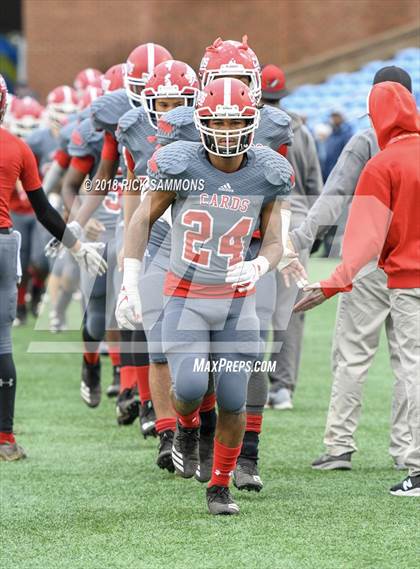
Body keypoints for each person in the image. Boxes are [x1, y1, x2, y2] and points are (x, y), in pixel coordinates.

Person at [117, 78, 303, 515]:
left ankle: (220, 486)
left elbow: (274, 240)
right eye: (216, 121)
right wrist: (130, 280)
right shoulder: (180, 165)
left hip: (236, 301)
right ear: (199, 122)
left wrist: (260, 264)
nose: (224, 129)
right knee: (191, 385)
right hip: (186, 296)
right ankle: (185, 425)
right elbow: (141, 221)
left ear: (251, 122)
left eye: (234, 121)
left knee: (235, 398)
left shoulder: (266, 171)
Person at [294, 80, 420, 497]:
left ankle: (340, 447)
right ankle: (407, 450)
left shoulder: (372, 150)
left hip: (373, 265)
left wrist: (308, 249)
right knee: (410, 363)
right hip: (410, 270)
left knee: (352, 356)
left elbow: (336, 200)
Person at [0, 74, 107, 461]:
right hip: (2, 240)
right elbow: (44, 208)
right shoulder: (18, 148)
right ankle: (5, 438)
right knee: (2, 343)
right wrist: (75, 245)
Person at [260, 63, 323, 411]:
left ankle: (251, 381)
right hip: (298, 223)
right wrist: (315, 232)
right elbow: (316, 187)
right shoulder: (302, 130)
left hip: (260, 221)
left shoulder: (250, 128)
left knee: (251, 306)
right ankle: (281, 387)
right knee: (289, 310)